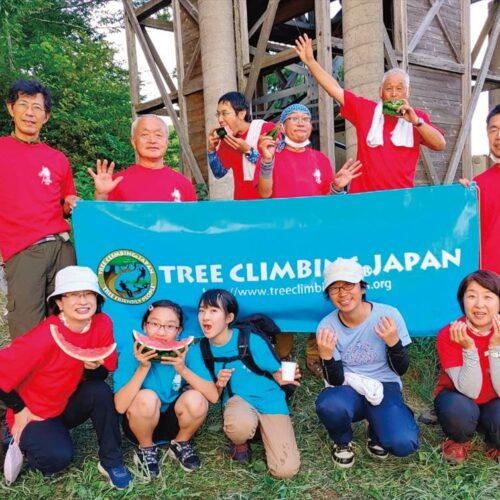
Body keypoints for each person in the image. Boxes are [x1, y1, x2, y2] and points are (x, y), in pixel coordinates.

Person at [0, 266, 131, 489]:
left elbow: (102, 373)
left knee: (100, 391)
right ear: (59, 302)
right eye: (73, 294)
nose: (83, 301)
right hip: (35, 413)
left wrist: (91, 369)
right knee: (55, 459)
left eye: (88, 294)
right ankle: (14, 438)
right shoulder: (43, 336)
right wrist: (19, 409)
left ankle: (112, 461)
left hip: (65, 404)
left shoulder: (102, 323)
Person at [256, 103, 362, 376]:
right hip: (282, 240)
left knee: (318, 294)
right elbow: (265, 194)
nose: (302, 123)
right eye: (294, 119)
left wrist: (337, 187)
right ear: (282, 126)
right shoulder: (271, 156)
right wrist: (266, 161)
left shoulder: (321, 159)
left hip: (316, 240)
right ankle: (283, 354)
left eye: (306, 119)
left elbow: (329, 203)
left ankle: (316, 353)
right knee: (286, 292)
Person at [295, 34, 446, 194]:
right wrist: (311, 62)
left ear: (408, 92)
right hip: (363, 199)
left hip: (399, 201)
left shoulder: (418, 117)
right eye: (388, 88)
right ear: (381, 92)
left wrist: (416, 122)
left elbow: (440, 144)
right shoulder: (366, 110)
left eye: (399, 88)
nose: (394, 93)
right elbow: (334, 89)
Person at [315, 257, 419, 468]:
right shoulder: (327, 326)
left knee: (403, 443)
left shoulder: (388, 316)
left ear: (362, 287)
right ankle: (342, 441)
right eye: (335, 289)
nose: (342, 294)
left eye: (348, 285)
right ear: (329, 295)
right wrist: (326, 357)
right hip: (348, 386)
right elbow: (335, 380)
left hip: (385, 385)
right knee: (329, 404)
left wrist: (393, 343)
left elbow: (401, 369)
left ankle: (379, 428)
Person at [188, 289, 301, 479]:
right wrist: (219, 384)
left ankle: (263, 431)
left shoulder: (251, 340)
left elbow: (275, 371)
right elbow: (213, 395)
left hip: (270, 400)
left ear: (229, 317)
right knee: (238, 427)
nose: (205, 317)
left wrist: (282, 377)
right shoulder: (198, 351)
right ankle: (240, 440)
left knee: (285, 471)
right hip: (238, 401)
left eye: (213, 311)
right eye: (201, 311)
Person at [0, 80, 78, 340]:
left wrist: (69, 204)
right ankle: (26, 382)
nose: (30, 113)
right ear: (11, 109)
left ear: (47, 116)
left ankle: (69, 380)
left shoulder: (58, 159)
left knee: (69, 321)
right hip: (23, 251)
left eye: (37, 107)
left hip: (63, 248)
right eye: (23, 105)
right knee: (27, 328)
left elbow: (66, 203)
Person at [113, 300, 218, 478]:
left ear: (179, 331)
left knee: (196, 398)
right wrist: (143, 368)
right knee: (146, 397)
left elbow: (213, 397)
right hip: (139, 423)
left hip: (174, 423)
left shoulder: (188, 352)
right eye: (154, 324)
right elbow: (120, 407)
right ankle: (146, 448)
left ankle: (180, 443)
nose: (161, 332)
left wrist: (182, 369)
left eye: (170, 327)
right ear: (144, 326)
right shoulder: (131, 354)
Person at [434, 270, 500, 464]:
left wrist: (495, 347)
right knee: (457, 412)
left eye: (488, 296)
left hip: (494, 399)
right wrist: (469, 348)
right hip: (459, 397)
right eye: (471, 296)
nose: (479, 304)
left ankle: (493, 441)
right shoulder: (450, 333)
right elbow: (470, 390)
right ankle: (458, 440)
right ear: (462, 301)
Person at [89, 114, 197, 202]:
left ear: (167, 142)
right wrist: (101, 195)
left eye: (158, 135)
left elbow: (192, 224)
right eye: (145, 135)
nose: (152, 140)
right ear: (133, 142)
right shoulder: (116, 183)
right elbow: (103, 222)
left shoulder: (184, 184)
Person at [207, 91, 275, 200]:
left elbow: (279, 168)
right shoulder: (227, 140)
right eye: (218, 114)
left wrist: (248, 151)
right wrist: (211, 150)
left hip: (269, 203)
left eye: (225, 113)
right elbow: (218, 173)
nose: (220, 119)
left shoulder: (266, 129)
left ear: (242, 113)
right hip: (241, 205)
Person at [460, 105, 500, 274]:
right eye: (493, 130)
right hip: (490, 287)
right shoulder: (478, 185)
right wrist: (458, 198)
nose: (498, 136)